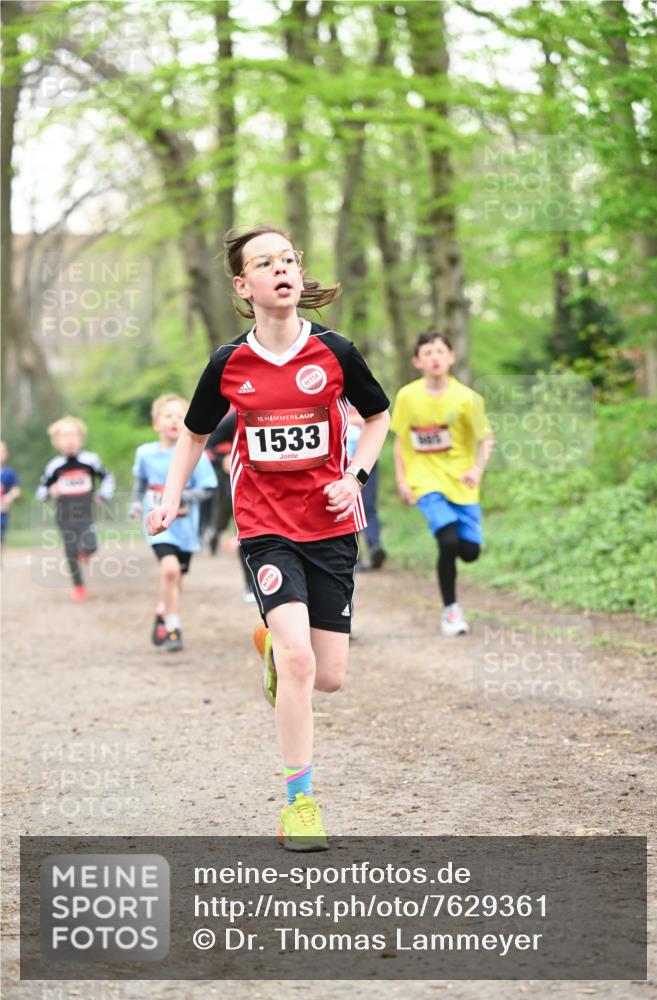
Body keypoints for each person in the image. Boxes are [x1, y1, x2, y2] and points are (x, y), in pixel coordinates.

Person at [146, 224, 390, 850]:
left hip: (331, 525)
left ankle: (271, 650)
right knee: (301, 660)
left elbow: (379, 417)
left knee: (329, 676)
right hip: (263, 525)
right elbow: (195, 434)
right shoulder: (230, 362)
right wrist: (172, 495)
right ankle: (299, 803)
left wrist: (355, 477)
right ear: (243, 284)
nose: (282, 269)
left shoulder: (335, 352)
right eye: (265, 262)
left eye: (289, 258)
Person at [391, 332, 494, 636]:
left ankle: (452, 602)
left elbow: (485, 438)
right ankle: (451, 610)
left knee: (470, 551)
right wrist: (402, 479)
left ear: (451, 357)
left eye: (440, 351)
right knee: (447, 542)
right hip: (425, 480)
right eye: (427, 352)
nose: (434, 357)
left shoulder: (467, 398)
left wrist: (477, 469)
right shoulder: (408, 396)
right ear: (417, 360)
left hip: (462, 482)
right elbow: (400, 440)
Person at [131, 394, 217, 653]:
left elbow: (208, 488)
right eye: (168, 416)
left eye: (180, 416)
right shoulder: (145, 454)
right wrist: (136, 503)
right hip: (159, 527)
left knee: (176, 579)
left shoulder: (198, 456)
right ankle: (172, 627)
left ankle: (162, 610)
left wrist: (180, 497)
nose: (174, 421)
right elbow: (141, 483)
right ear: (157, 422)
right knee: (170, 571)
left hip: (186, 529)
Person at [36, 417, 115, 601]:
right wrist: (50, 490)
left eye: (73, 435)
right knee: (70, 551)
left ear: (81, 439)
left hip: (86, 512)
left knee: (91, 544)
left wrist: (103, 495)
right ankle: (78, 586)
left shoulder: (90, 460)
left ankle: (86, 551)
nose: (69, 440)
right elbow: (40, 492)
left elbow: (108, 477)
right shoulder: (54, 466)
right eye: (64, 436)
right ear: (56, 441)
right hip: (64, 515)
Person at [205, 409, 259, 603]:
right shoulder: (237, 416)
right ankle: (250, 586)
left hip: (271, 484)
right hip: (238, 482)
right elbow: (208, 445)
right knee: (233, 522)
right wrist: (223, 460)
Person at [347, 405, 386, 570]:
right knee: (348, 506)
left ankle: (374, 547)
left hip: (367, 461)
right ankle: (355, 555)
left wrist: (352, 420)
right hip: (342, 462)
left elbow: (378, 418)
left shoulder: (361, 388)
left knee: (368, 505)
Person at [0, 441, 21, 557]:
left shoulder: (8, 473)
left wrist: (9, 497)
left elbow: (16, 489)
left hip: (2, 512)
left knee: (1, 537)